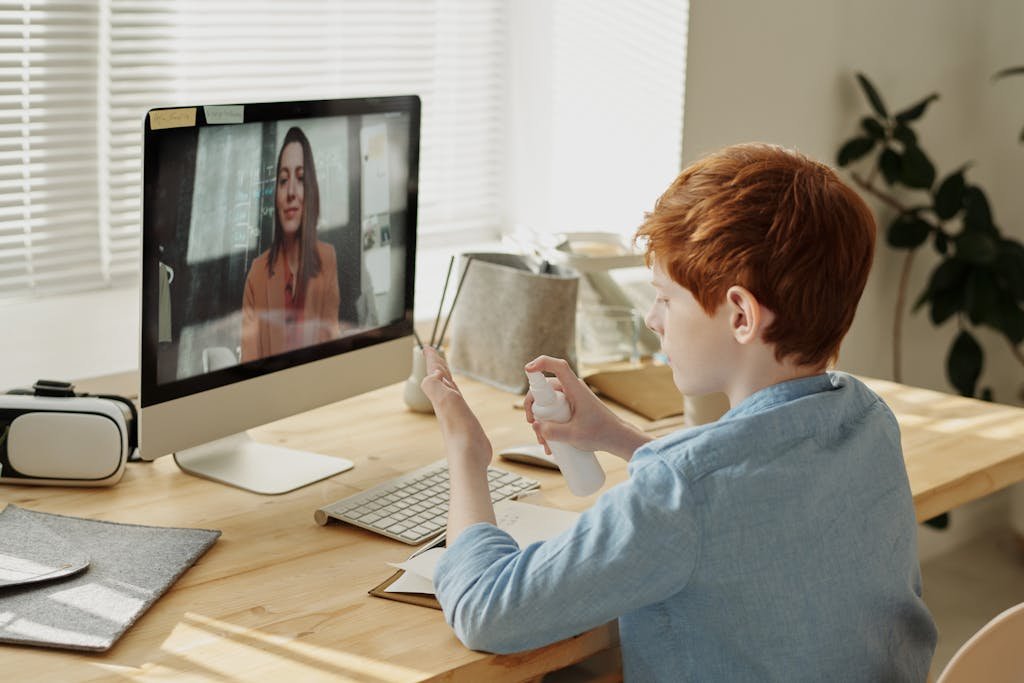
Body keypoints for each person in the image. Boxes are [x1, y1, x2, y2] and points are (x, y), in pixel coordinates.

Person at [419, 143, 937, 681]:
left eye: (666, 298)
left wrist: (466, 455)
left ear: (741, 314)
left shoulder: (678, 495)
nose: (651, 319)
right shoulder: (869, 420)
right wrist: (617, 435)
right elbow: (741, 505)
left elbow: (486, 610)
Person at [241, 126, 341, 362]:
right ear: (276, 195)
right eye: (284, 180)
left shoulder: (327, 259)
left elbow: (331, 351)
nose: (291, 193)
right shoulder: (257, 273)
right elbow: (248, 366)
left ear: (311, 190)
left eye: (300, 178)